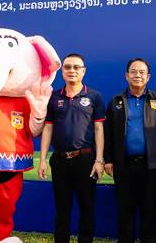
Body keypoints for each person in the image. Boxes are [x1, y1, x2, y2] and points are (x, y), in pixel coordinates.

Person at [103, 58, 156, 243]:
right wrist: (108, 159)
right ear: (127, 76)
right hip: (123, 166)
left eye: (142, 72)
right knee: (125, 211)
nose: (137, 75)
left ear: (148, 77)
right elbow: (108, 133)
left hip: (150, 166)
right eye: (133, 71)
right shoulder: (116, 102)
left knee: (149, 210)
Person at [38, 53, 105, 243]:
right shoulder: (53, 97)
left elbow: (99, 128)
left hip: (86, 160)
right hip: (59, 160)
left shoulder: (94, 96)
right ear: (62, 72)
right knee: (62, 207)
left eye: (77, 67)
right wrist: (42, 160)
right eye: (67, 67)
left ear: (83, 71)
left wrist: (99, 160)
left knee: (87, 207)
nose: (72, 71)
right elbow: (48, 127)